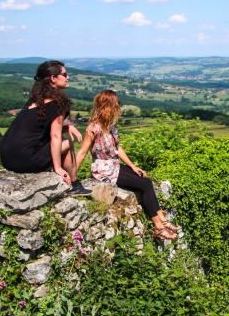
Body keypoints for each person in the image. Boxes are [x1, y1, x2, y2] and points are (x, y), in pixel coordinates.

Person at [76, 90, 180, 240]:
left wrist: (132, 166)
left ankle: (162, 221)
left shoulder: (111, 126)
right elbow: (82, 153)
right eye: (115, 105)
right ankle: (160, 227)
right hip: (104, 170)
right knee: (144, 185)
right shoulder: (94, 128)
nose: (118, 108)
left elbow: (117, 148)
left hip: (114, 166)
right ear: (107, 106)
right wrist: (72, 178)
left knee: (145, 180)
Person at [0, 60, 91, 195]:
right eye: (65, 75)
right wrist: (58, 168)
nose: (68, 77)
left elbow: (41, 124)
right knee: (67, 142)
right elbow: (55, 136)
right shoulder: (59, 103)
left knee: (61, 137)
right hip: (27, 160)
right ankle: (76, 185)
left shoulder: (35, 99)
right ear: (53, 78)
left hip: (7, 159)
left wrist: (68, 126)